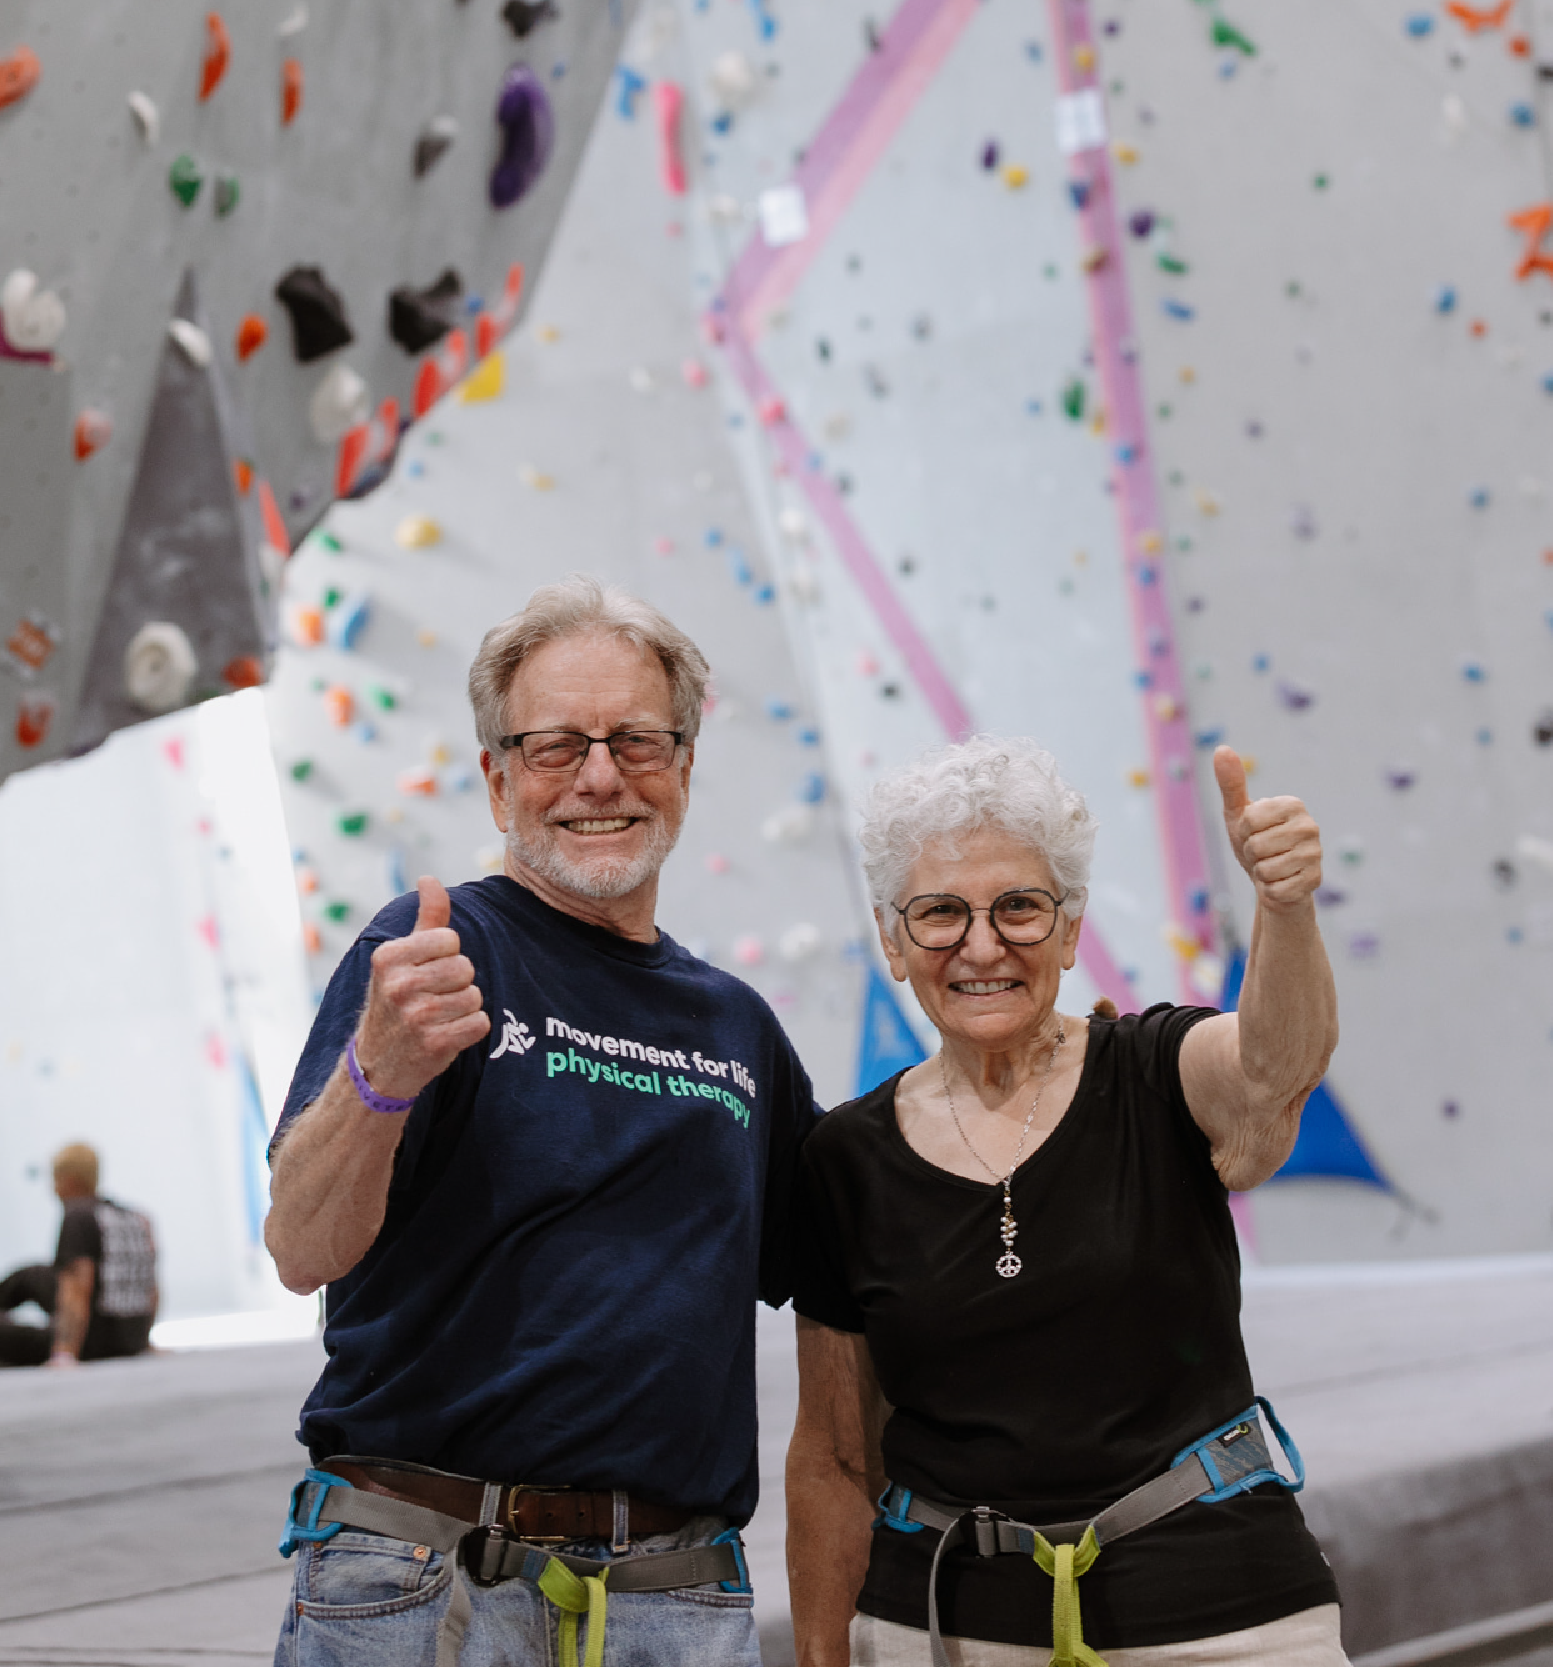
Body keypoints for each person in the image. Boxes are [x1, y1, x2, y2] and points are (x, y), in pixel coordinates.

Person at [264, 576, 818, 1667]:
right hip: (426, 1576)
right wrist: (379, 1073)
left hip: (676, 1595)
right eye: (557, 744)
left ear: (687, 765)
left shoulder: (735, 1027)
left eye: (636, 741)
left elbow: (854, 1273)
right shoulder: (433, 958)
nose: (601, 776)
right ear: (497, 776)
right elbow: (300, 1245)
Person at [788, 736, 1346, 1667]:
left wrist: (1283, 910)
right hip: (947, 1629)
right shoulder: (844, 1156)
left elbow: (1270, 1072)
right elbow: (838, 1457)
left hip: (1223, 1612)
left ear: (1069, 928)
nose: (981, 944)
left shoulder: (1155, 1068)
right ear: (891, 939)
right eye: (937, 913)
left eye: (1019, 906)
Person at [0, 1142, 158, 1369]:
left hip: (93, 1343)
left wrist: (65, 1352)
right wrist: (142, 1340)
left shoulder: (79, 1216)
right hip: (129, 1337)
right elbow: (151, 1287)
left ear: (69, 1179)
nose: (53, 1189)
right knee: (31, 1275)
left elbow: (77, 1285)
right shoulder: (136, 1219)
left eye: (55, 1181)